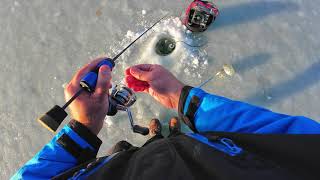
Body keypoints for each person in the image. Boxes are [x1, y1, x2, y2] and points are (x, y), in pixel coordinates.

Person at [12, 58, 320, 180]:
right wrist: (184, 100)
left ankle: (159, 141)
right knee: (161, 148)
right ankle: (165, 141)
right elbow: (282, 135)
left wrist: (81, 131)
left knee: (133, 151)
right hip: (205, 149)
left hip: (122, 166)